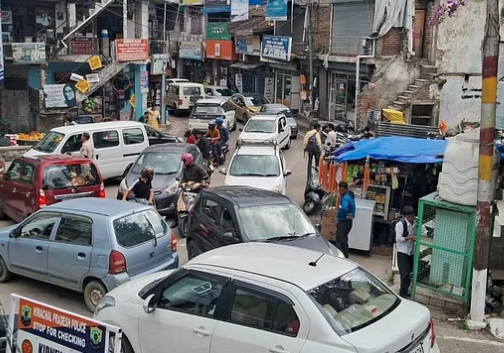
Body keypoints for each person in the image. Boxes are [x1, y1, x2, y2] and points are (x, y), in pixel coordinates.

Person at [395, 205, 419, 298]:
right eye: (409, 217)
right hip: (402, 251)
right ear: (404, 216)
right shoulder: (400, 225)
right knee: (404, 273)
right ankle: (402, 292)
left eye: (412, 216)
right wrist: (410, 237)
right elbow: (398, 239)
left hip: (411, 251)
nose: (411, 218)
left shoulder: (415, 223)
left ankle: (405, 290)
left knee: (409, 273)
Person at [334, 181, 355, 259]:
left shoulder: (345, 198)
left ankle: (342, 257)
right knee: (343, 239)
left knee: (340, 240)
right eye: (340, 190)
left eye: (342, 190)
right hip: (348, 222)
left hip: (343, 222)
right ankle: (345, 256)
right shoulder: (350, 196)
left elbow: (344, 207)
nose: (340, 192)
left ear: (346, 189)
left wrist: (343, 212)